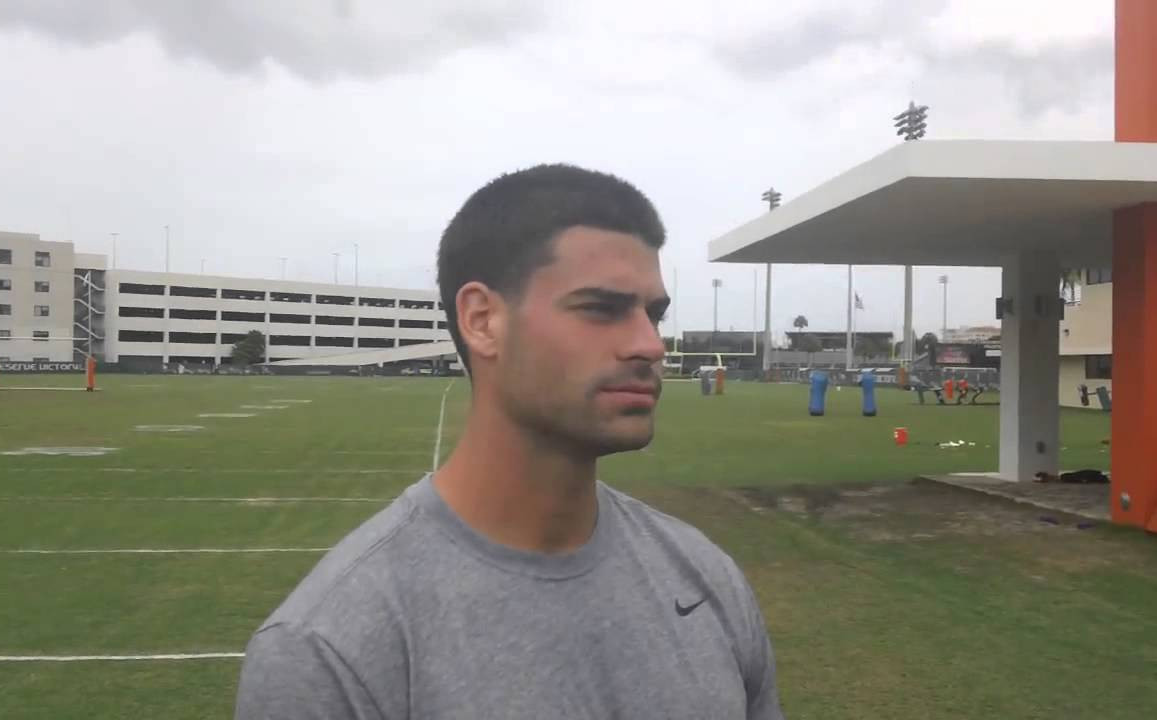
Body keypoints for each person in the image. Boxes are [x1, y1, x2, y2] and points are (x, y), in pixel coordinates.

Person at [235, 164, 784, 719]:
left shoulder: (705, 578)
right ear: (482, 320)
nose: (649, 345)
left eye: (654, 314)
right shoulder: (329, 650)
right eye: (602, 308)